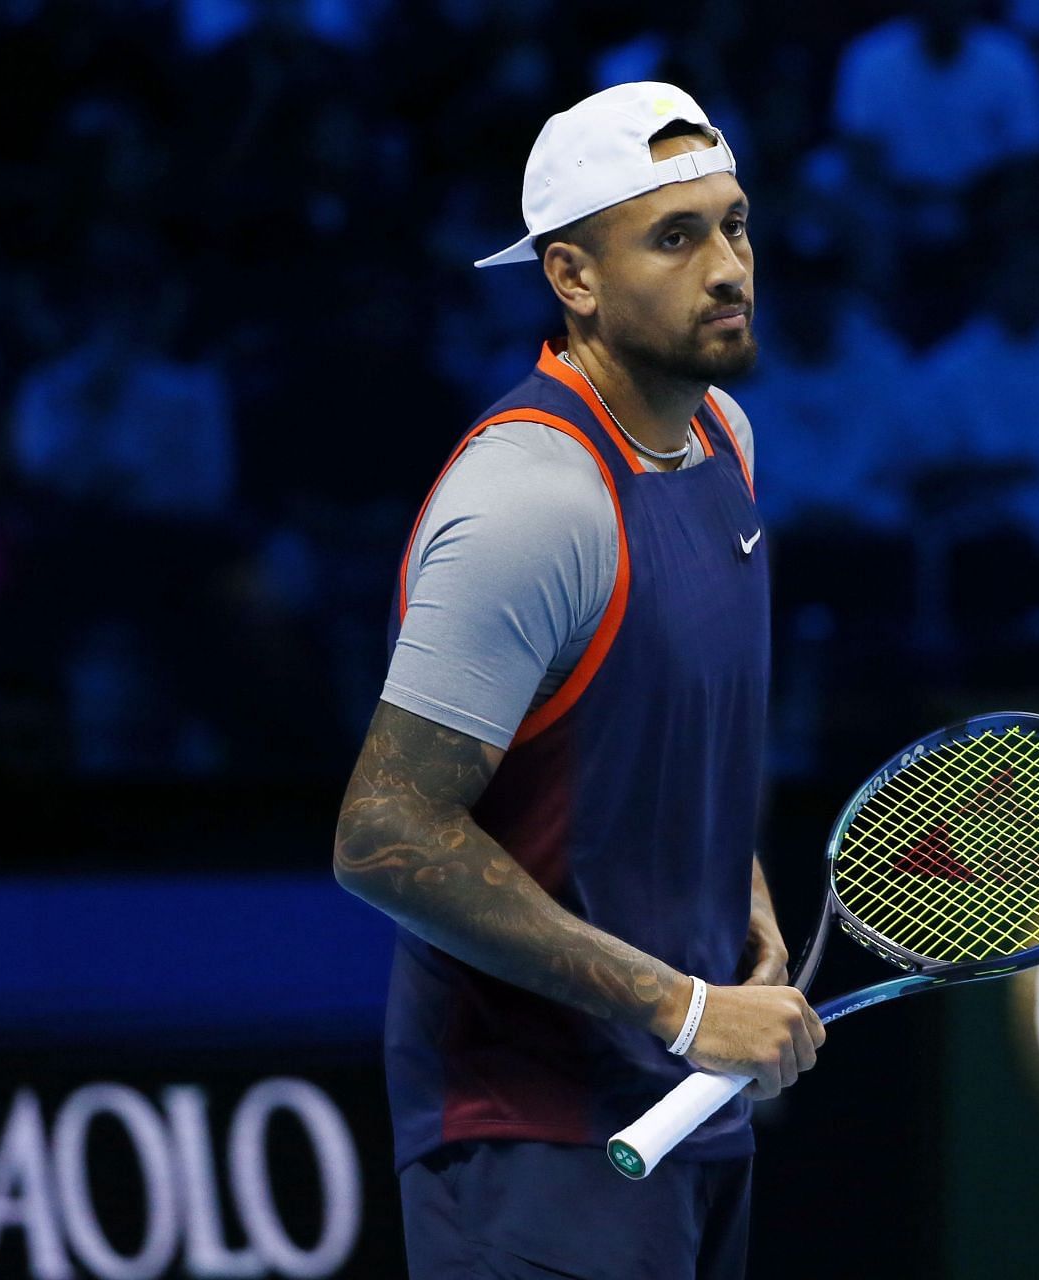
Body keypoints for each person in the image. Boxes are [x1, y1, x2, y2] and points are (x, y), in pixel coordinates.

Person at [331, 83, 821, 1280]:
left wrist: (738, 907)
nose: (728, 266)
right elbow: (384, 835)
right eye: (676, 235)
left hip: (688, 1111)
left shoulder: (727, 440)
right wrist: (688, 1008)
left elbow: (663, 745)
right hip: (530, 1143)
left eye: (736, 225)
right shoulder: (530, 500)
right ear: (572, 278)